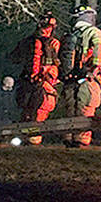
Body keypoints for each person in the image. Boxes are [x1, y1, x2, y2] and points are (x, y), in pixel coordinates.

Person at [59, 5, 101, 148]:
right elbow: (99, 48)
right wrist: (95, 68)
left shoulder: (71, 33)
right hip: (86, 77)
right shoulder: (94, 32)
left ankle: (68, 138)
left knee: (70, 109)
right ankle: (81, 140)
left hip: (70, 78)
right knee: (85, 108)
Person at [18, 15, 61, 145]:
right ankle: (31, 138)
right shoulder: (48, 43)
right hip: (39, 81)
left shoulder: (32, 41)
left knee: (33, 110)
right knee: (36, 109)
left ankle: (30, 138)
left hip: (35, 81)